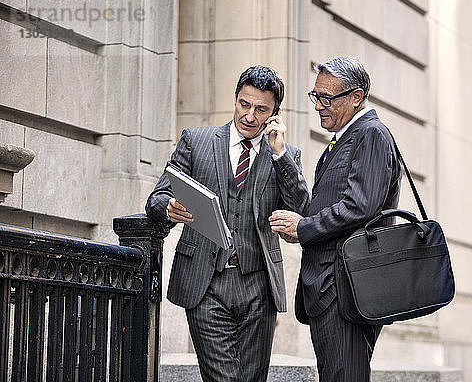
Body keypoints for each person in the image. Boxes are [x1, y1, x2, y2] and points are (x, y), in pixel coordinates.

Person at [146, 65, 310, 382]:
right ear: (235, 99)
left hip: (258, 285)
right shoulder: (196, 141)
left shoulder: (285, 156)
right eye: (244, 104)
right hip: (204, 283)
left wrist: (280, 155)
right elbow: (156, 197)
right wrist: (169, 207)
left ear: (275, 113)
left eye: (261, 109)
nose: (249, 115)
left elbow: (300, 211)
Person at [269, 57, 402, 381]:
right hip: (335, 289)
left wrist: (302, 228)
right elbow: (318, 205)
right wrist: (281, 154)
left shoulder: (370, 134)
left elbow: (359, 207)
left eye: (327, 98)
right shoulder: (345, 138)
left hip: (346, 289)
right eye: (316, 96)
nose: (319, 106)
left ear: (356, 97)